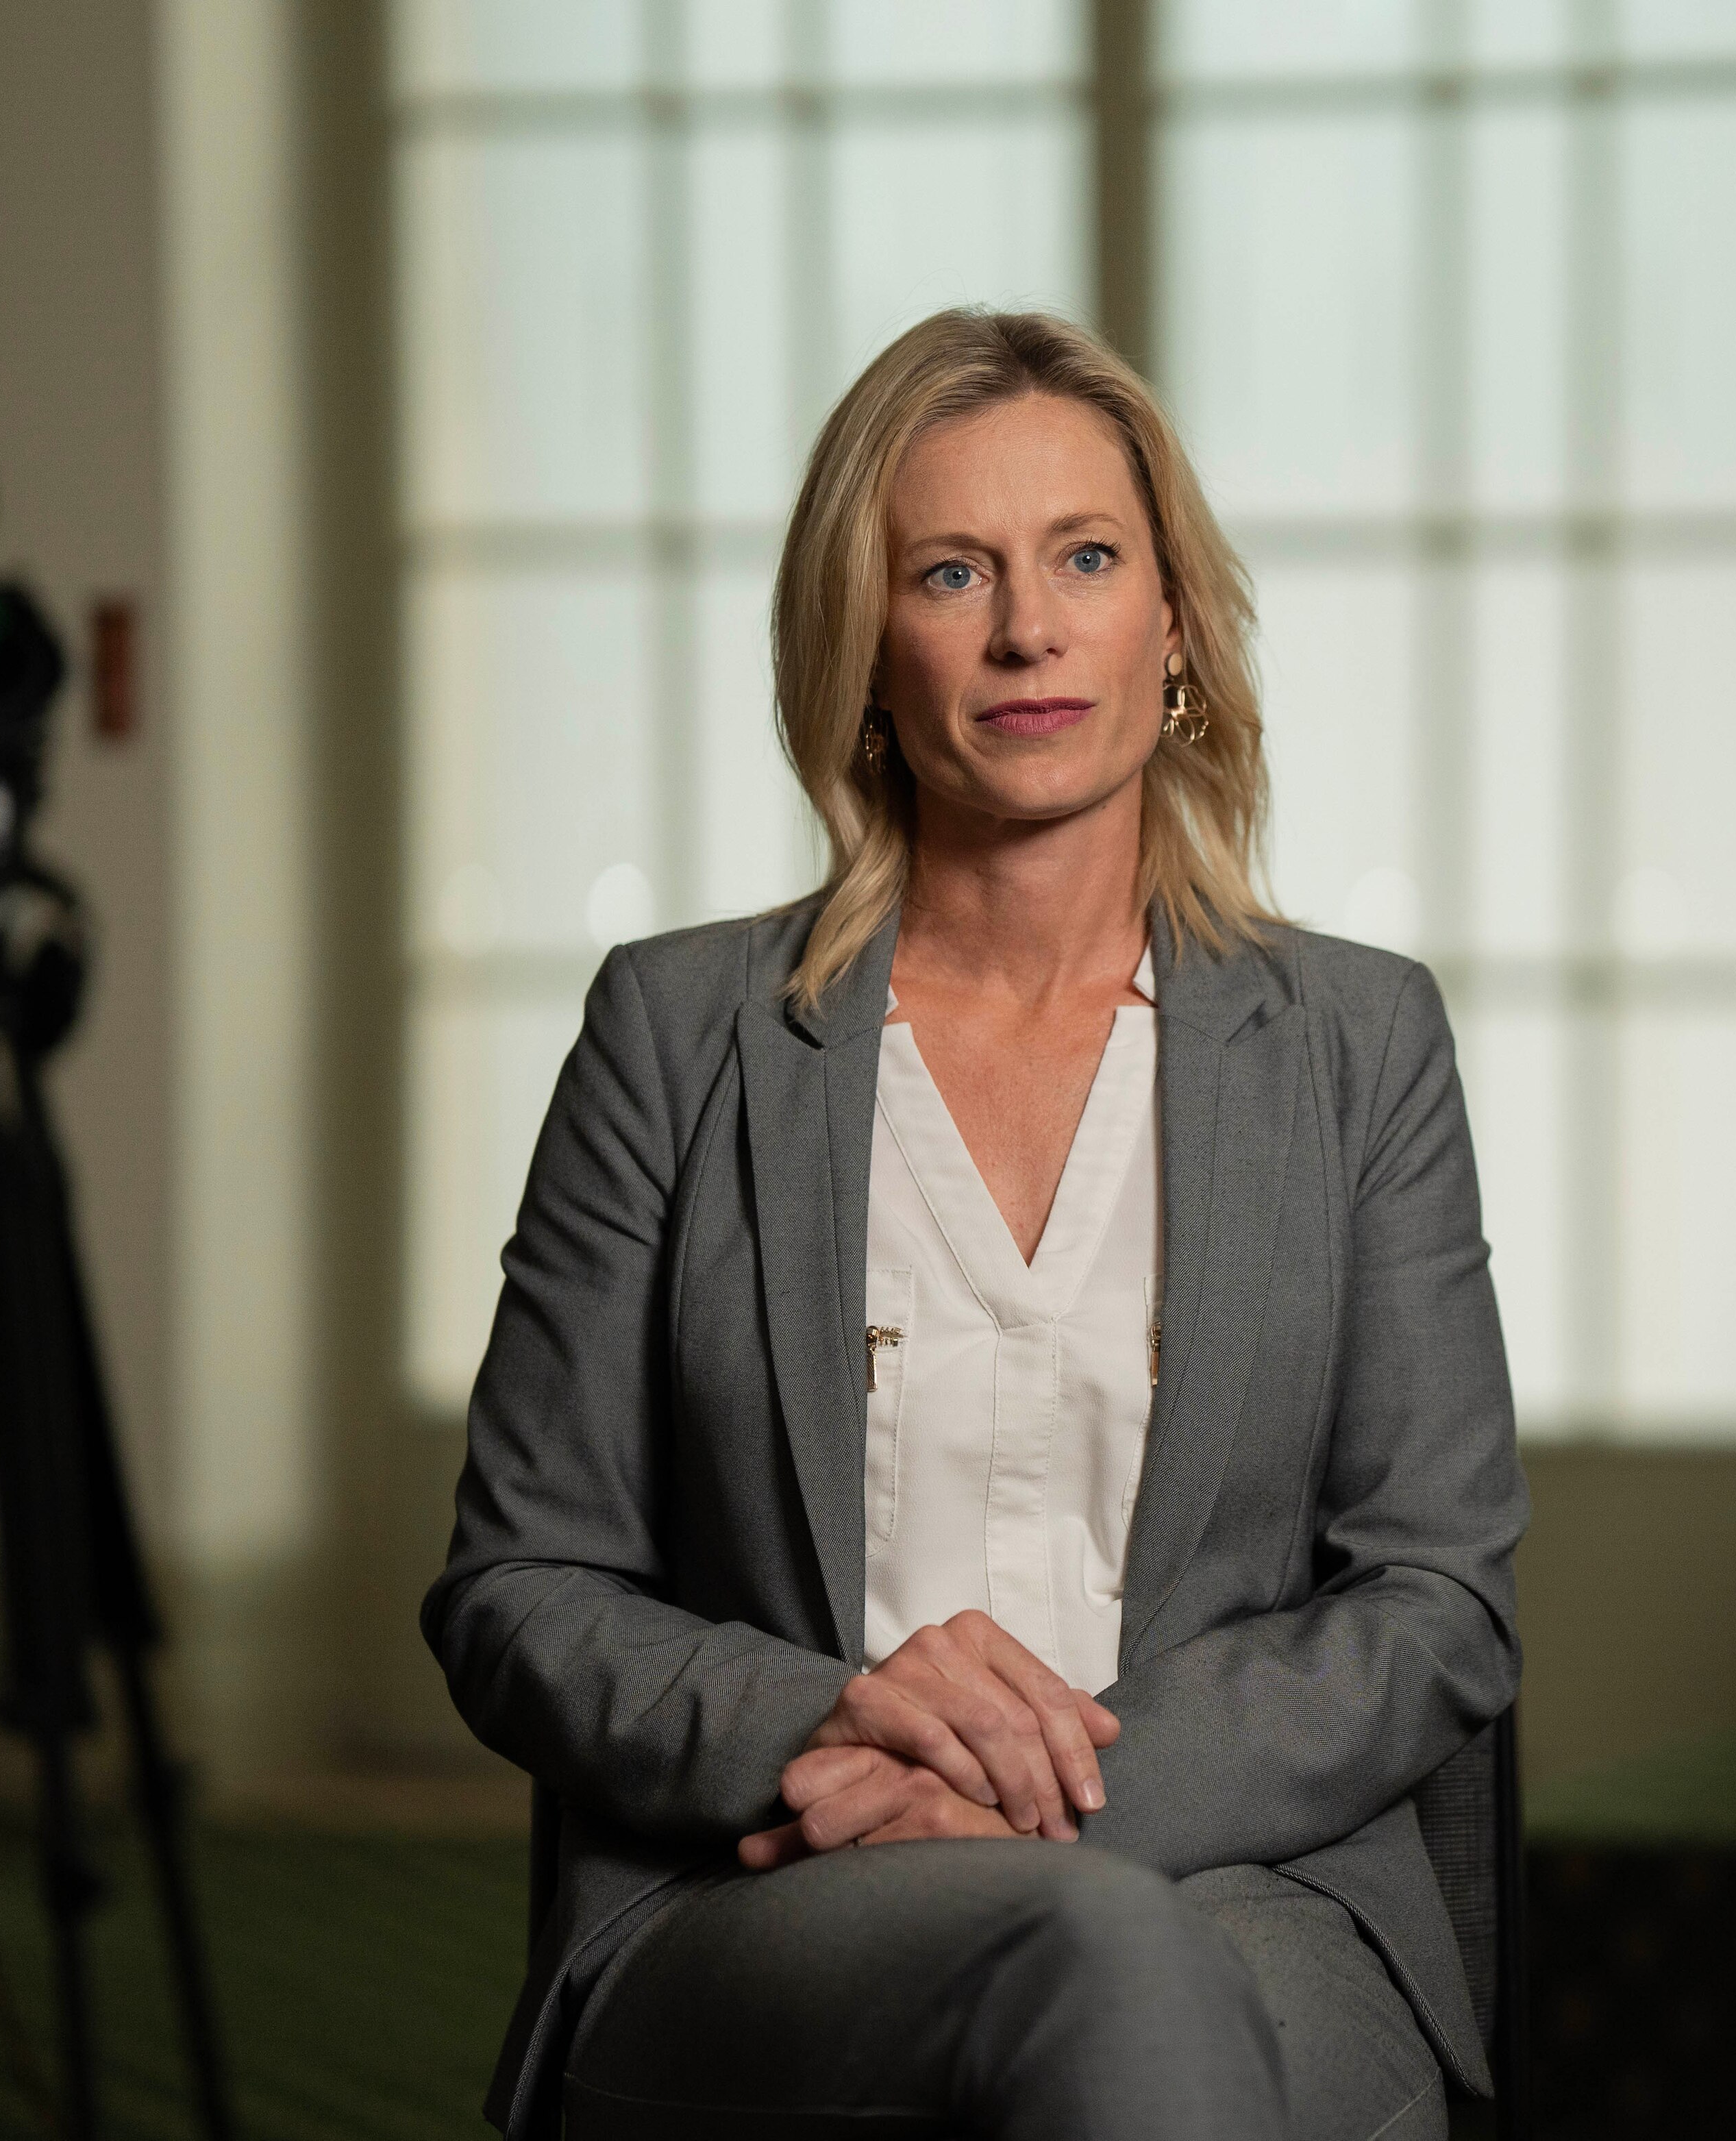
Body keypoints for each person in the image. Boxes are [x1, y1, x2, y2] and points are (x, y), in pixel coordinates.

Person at [421, 308, 1526, 2141]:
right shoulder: (677, 1036)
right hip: (779, 1878)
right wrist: (826, 1722)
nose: (1028, 628)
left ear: (1174, 623)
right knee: (1105, 1977)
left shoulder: (1359, 1042)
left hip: (1248, 1881)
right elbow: (517, 1589)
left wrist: (1049, 1804)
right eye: (952, 572)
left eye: (1085, 558)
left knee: (1130, 1970)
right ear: (865, 648)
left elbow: (1438, 1596)